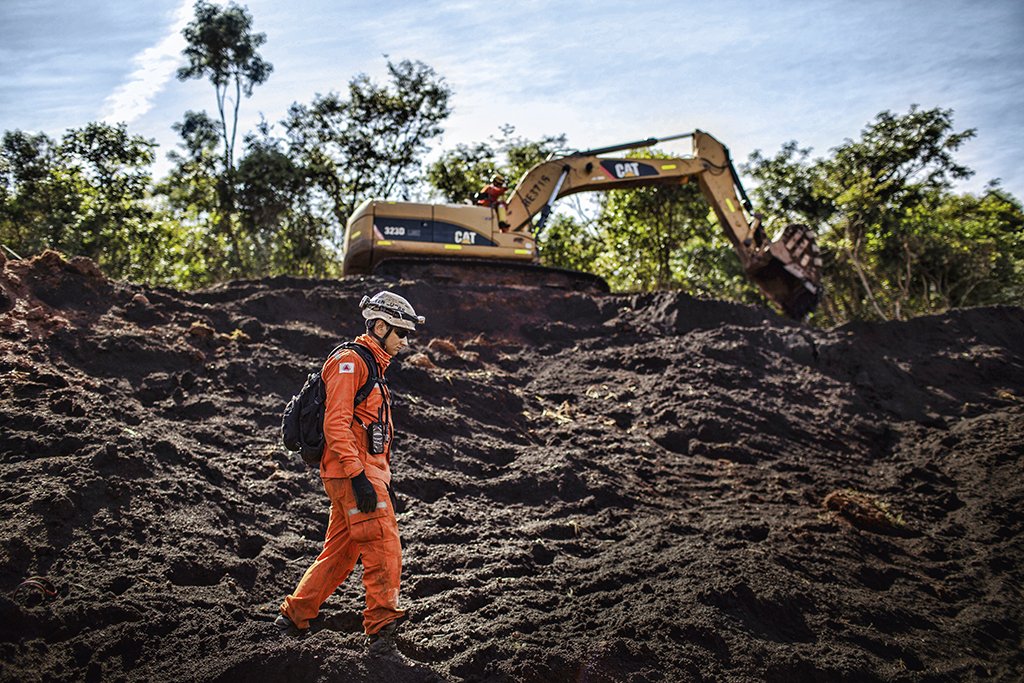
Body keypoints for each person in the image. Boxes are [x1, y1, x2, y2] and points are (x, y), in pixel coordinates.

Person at [276, 291, 424, 657]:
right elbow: (336, 424)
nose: (404, 341)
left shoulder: (370, 365)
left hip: (357, 472)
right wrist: (359, 477)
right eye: (400, 333)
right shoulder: (350, 362)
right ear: (379, 326)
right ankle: (382, 624)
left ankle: (294, 616)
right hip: (351, 471)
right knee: (383, 545)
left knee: (341, 552)